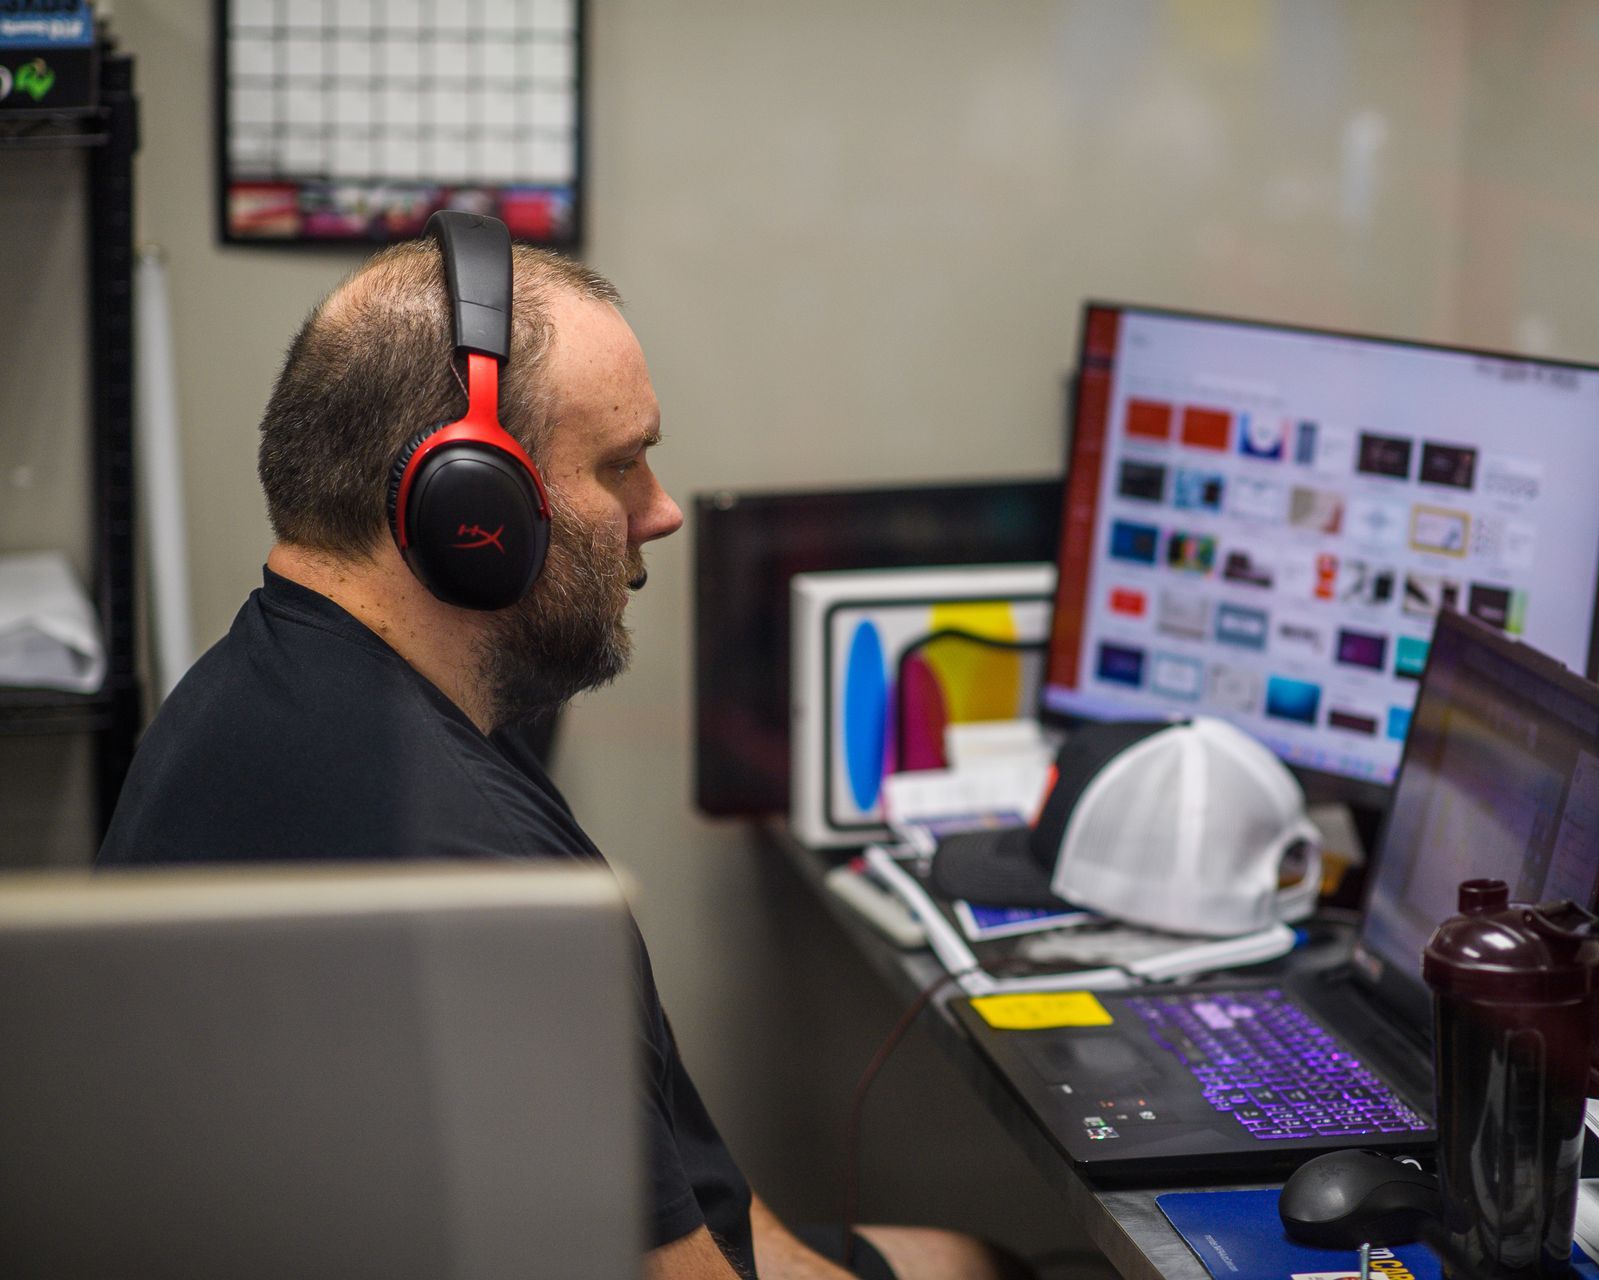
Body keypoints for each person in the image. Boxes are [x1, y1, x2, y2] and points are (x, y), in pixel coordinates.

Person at [97, 229, 1022, 1280]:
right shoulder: (464, 874)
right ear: (469, 510)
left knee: (973, 1258)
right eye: (621, 465)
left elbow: (686, 1175)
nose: (662, 510)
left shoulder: (290, 684)